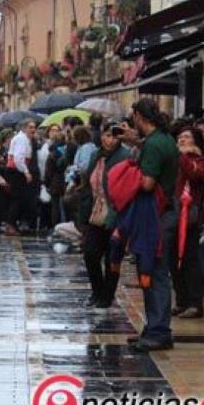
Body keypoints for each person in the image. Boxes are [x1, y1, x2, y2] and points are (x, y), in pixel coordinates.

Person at [126, 98, 179, 353]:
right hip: (162, 213)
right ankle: (154, 327)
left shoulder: (156, 144)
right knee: (151, 272)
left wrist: (125, 179)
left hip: (155, 215)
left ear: (138, 115)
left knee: (155, 273)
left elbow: (147, 183)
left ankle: (158, 331)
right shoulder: (162, 139)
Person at [80, 122, 130, 308]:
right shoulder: (96, 155)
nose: (109, 140)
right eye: (106, 135)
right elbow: (87, 184)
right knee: (90, 254)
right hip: (96, 211)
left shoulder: (125, 156)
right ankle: (97, 291)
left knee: (112, 257)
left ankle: (106, 296)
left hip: (116, 212)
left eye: (114, 136)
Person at [170, 127, 204, 319]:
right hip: (173, 215)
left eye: (186, 137)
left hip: (190, 217)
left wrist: (184, 157)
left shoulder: (201, 161)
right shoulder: (176, 159)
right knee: (173, 260)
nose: (182, 140)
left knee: (189, 260)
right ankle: (181, 300)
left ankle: (195, 303)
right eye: (179, 137)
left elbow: (196, 176)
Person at [5, 120, 38, 235]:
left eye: (34, 127)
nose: (33, 130)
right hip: (16, 170)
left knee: (20, 199)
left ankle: (12, 223)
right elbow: (18, 158)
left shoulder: (25, 139)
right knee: (17, 199)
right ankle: (10, 224)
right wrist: (26, 172)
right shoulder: (21, 139)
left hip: (18, 169)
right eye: (30, 127)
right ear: (24, 128)